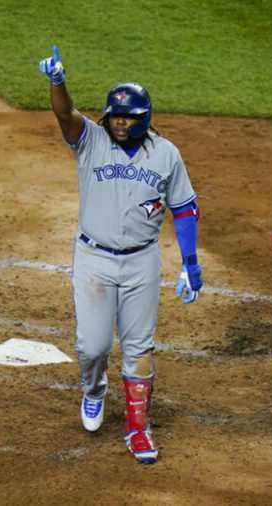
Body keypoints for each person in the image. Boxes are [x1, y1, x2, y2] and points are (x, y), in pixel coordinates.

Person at [38, 46, 203, 463]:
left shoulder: (166, 154)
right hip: (94, 259)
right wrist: (57, 81)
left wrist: (190, 262)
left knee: (138, 347)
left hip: (142, 262)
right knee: (92, 347)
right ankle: (94, 390)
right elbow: (65, 114)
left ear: (144, 118)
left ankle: (138, 429)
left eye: (127, 117)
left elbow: (184, 208)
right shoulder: (90, 140)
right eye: (115, 116)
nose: (120, 122)